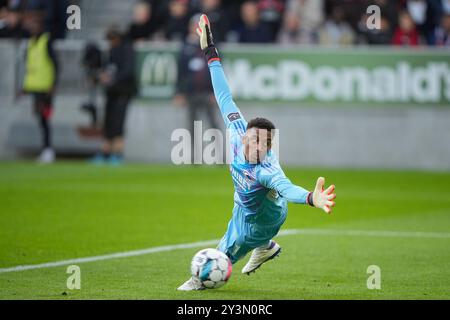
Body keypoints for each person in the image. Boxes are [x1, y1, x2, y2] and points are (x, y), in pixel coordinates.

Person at [178, 14, 336, 291]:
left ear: (267, 147)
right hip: (245, 205)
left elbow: (287, 188)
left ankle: (202, 280)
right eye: (251, 139)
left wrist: (312, 198)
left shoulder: (266, 171)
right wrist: (210, 53)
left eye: (260, 143)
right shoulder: (238, 131)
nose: (252, 144)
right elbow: (224, 96)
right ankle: (267, 248)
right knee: (236, 221)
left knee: (225, 254)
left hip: (264, 220)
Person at [173, 14, 219, 161]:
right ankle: (195, 157)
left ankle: (219, 156)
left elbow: (217, 70)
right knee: (193, 126)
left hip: (206, 92)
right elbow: (180, 72)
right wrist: (179, 92)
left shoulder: (211, 45)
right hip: (191, 92)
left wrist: (215, 91)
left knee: (213, 125)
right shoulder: (185, 47)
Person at [92, 27, 136, 165]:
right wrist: (102, 76)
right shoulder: (111, 51)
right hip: (111, 92)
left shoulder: (127, 49)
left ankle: (117, 154)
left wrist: (112, 78)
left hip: (123, 91)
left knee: (118, 123)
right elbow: (107, 68)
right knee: (108, 123)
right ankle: (105, 153)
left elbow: (128, 71)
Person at [22, 11, 58, 163]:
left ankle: (48, 150)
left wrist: (53, 84)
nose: (32, 27)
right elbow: (30, 65)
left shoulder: (46, 41)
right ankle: (45, 149)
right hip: (34, 87)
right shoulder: (30, 42)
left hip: (45, 88)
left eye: (34, 24)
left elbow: (56, 64)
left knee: (45, 119)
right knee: (40, 119)